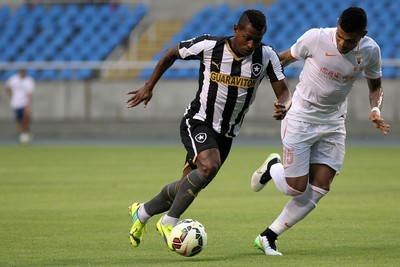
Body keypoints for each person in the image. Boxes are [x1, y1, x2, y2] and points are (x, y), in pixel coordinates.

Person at [126, 9, 292, 250]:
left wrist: (283, 105)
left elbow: (284, 92)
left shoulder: (266, 55)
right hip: (198, 120)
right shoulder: (209, 46)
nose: (251, 43)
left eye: (257, 38)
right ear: (236, 29)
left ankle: (141, 212)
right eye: (247, 37)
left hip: (227, 133)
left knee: (187, 186)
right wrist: (149, 86)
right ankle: (169, 222)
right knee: (209, 165)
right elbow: (171, 52)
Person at [251, 7, 391, 256]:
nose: (342, 43)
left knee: (321, 186)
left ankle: (268, 236)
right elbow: (280, 59)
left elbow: (376, 87)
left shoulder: (370, 51)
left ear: (363, 35)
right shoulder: (315, 38)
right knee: (294, 188)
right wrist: (268, 87)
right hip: (300, 119)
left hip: (333, 123)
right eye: (340, 35)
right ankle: (274, 166)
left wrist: (375, 110)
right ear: (336, 25)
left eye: (350, 40)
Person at [5, 68, 36, 144]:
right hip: (15, 104)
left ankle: (22, 135)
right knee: (20, 121)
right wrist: (10, 95)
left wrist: (28, 105)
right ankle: (24, 132)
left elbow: (30, 94)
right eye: (21, 71)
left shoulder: (29, 81)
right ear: (19, 72)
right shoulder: (13, 79)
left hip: (24, 103)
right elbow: (7, 87)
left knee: (26, 116)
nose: (22, 73)